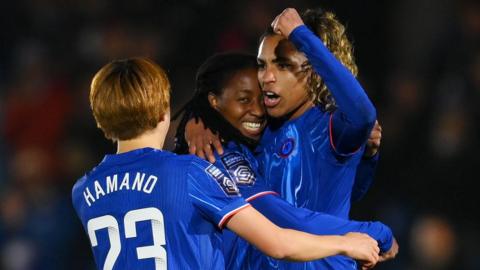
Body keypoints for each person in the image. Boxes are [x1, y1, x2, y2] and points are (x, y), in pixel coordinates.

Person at [71, 57, 382, 270]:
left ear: (101, 121)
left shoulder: (83, 191)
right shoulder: (190, 173)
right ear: (164, 110)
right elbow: (278, 243)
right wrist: (345, 243)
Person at [184, 7, 396, 269]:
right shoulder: (260, 130)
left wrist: (301, 35)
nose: (267, 77)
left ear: (314, 71)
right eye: (262, 65)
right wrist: (198, 118)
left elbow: (363, 115)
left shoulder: (332, 126)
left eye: (283, 65)